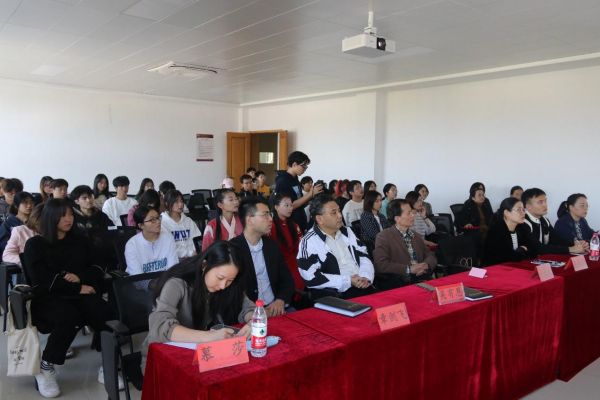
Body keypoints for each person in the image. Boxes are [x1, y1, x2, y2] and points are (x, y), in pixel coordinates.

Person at [23, 199, 114, 398]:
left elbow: (97, 267)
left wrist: (81, 278)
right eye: (63, 215)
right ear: (50, 217)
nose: (69, 219)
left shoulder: (80, 241)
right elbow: (42, 280)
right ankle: (46, 366)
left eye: (71, 214)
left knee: (106, 313)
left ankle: (108, 363)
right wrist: (77, 287)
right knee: (68, 317)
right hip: (49, 298)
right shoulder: (35, 245)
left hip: (80, 293)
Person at [144, 241, 254, 360]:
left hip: (200, 354)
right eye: (220, 278)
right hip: (163, 356)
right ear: (204, 265)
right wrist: (209, 337)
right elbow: (160, 325)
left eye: (230, 280)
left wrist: (253, 323)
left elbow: (250, 309)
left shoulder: (230, 285)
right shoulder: (177, 284)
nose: (223, 286)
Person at [297, 194, 374, 300]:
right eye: (334, 213)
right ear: (319, 219)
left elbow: (363, 255)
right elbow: (310, 276)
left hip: (363, 284)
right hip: (338, 294)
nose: (339, 215)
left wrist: (366, 276)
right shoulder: (309, 241)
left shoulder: (347, 231)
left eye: (339, 211)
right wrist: (347, 280)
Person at [231, 197, 294, 316]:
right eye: (265, 215)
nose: (270, 219)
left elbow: (287, 280)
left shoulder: (272, 246)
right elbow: (233, 291)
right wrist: (253, 312)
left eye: (270, 214)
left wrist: (280, 300)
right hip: (248, 313)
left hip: (275, 308)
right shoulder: (233, 249)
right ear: (250, 220)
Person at [373, 199, 436, 289]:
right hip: (400, 283)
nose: (413, 215)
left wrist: (426, 265)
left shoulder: (415, 235)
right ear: (397, 219)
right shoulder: (383, 237)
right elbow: (381, 264)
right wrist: (409, 269)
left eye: (412, 212)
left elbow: (430, 254)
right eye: (409, 213)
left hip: (422, 278)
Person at [521, 188, 587, 255]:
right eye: (540, 202)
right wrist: (570, 249)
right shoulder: (523, 222)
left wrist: (576, 244)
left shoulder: (544, 220)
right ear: (528, 206)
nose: (545, 205)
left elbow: (557, 239)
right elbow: (538, 248)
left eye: (545, 201)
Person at [70, 185, 116, 270]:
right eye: (84, 198)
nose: (89, 200)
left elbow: (112, 230)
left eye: (90, 196)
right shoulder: (72, 217)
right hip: (80, 255)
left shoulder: (101, 215)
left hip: (101, 254)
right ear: (76, 201)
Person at [275, 151, 323, 232]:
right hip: (290, 223)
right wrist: (310, 194)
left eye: (306, 166)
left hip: (299, 220)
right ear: (294, 164)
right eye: (303, 166)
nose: (305, 169)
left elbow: (298, 199)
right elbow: (290, 206)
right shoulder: (283, 181)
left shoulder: (294, 178)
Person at [269, 193, 304, 303]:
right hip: (281, 265)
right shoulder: (271, 226)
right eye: (286, 205)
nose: (290, 208)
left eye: (291, 205)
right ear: (276, 207)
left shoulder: (294, 225)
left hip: (296, 262)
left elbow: (301, 247)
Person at [482, 197, 537, 266]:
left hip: (515, 267)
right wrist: (522, 250)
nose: (523, 213)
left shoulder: (522, 228)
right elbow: (504, 258)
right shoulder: (496, 231)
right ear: (506, 213)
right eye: (519, 210)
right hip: (496, 269)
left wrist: (519, 252)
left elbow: (534, 249)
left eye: (523, 210)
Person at [124, 206, 178, 275]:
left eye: (158, 218)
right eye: (152, 220)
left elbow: (172, 269)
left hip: (166, 279)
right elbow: (137, 276)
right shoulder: (132, 245)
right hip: (143, 281)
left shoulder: (168, 238)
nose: (158, 222)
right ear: (141, 225)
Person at [161, 189, 202, 259]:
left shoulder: (188, 221)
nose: (180, 204)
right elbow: (168, 247)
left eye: (181, 201)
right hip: (174, 260)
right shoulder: (162, 223)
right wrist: (189, 253)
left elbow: (197, 240)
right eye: (176, 202)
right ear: (167, 203)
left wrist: (194, 252)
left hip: (193, 258)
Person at [0, 191, 34, 258]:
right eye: (25, 202)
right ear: (16, 206)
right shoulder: (7, 224)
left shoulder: (36, 222)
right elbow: (4, 246)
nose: (29, 205)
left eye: (31, 202)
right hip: (15, 257)